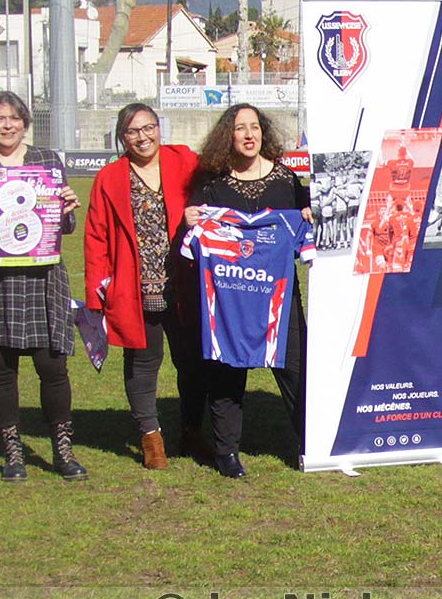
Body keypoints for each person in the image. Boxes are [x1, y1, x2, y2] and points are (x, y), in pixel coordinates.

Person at [0, 91, 86, 482]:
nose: (7, 125)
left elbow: (63, 227)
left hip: (41, 276)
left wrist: (66, 210)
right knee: (1, 367)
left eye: (14, 118)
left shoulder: (46, 161)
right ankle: (12, 453)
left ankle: (62, 450)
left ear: (25, 122)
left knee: (53, 365)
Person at [184, 104, 312, 479]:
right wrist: (191, 219)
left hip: (279, 297)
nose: (249, 134)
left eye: (254, 127)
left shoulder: (286, 180)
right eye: (240, 128)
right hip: (230, 299)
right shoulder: (213, 184)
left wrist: (308, 214)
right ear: (229, 136)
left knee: (297, 369)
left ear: (263, 133)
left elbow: (306, 225)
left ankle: (311, 442)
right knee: (226, 373)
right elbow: (194, 236)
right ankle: (226, 451)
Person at [85, 103, 203, 470]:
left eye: (148, 127)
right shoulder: (109, 178)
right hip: (134, 291)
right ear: (122, 137)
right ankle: (152, 438)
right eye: (133, 131)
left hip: (184, 286)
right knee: (142, 365)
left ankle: (193, 430)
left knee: (192, 363)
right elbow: (96, 238)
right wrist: (96, 294)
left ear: (159, 127)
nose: (143, 137)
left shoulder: (184, 160)